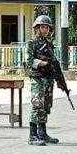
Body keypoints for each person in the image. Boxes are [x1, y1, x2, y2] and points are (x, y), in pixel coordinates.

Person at [25, 15, 59, 146]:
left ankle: (42, 133)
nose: (45, 29)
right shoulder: (32, 43)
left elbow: (53, 60)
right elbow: (29, 61)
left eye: (47, 27)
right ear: (37, 28)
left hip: (48, 79)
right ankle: (32, 136)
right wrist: (43, 63)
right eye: (42, 27)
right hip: (37, 78)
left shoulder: (49, 43)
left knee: (45, 106)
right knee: (37, 105)